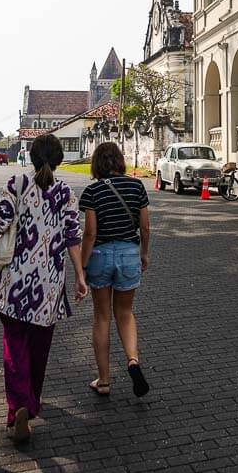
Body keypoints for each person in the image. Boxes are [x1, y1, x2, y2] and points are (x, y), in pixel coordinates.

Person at [0, 134, 86, 443]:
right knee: (39, 349)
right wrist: (80, 276)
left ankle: (18, 404)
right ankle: (31, 403)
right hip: (49, 284)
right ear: (58, 160)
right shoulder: (66, 193)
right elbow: (73, 237)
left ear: (30, 156)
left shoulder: (16, 183)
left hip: (16, 281)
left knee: (14, 345)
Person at [80, 142, 151, 400]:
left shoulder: (92, 191)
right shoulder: (137, 186)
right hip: (129, 253)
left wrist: (83, 266)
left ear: (96, 163)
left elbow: (89, 233)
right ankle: (133, 360)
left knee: (101, 316)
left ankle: (104, 380)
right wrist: (144, 253)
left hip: (100, 255)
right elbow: (145, 227)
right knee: (125, 312)